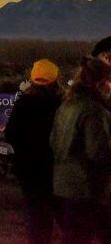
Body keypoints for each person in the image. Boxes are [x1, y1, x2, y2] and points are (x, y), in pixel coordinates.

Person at [50, 56, 111, 242]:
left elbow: (53, 141)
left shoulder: (67, 105)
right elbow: (98, 152)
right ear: (101, 82)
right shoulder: (94, 110)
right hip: (86, 188)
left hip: (62, 186)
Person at [4, 59, 62, 244]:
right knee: (60, 211)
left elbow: (10, 133)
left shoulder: (23, 103)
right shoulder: (61, 104)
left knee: (35, 212)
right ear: (55, 79)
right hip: (55, 166)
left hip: (27, 168)